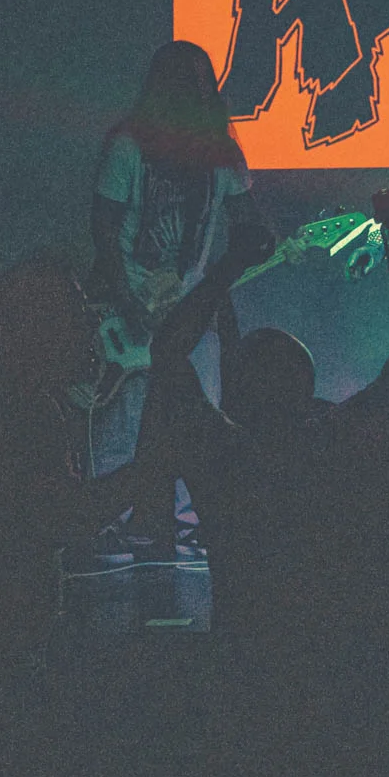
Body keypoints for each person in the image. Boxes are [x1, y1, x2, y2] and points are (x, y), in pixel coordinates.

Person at [84, 39, 264, 477]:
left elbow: (248, 226)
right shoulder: (128, 147)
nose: (199, 93)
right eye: (188, 83)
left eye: (206, 84)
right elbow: (103, 231)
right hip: (127, 315)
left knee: (192, 436)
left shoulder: (222, 156)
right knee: (122, 439)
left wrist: (260, 246)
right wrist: (128, 304)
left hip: (188, 317)